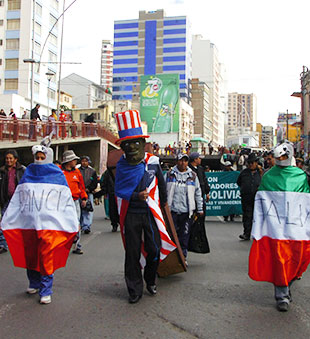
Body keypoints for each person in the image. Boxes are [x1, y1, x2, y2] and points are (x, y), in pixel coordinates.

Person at [1, 141, 79, 304]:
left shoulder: (57, 175)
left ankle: (46, 289)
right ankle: (34, 283)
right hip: (29, 224)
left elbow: (65, 201)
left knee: (46, 256)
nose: (39, 160)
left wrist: (72, 221)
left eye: (42, 157)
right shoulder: (28, 173)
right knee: (30, 254)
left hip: (49, 226)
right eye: (37, 157)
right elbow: (19, 198)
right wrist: (9, 217)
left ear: (48, 157)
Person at [114, 110, 176, 304]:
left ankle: (150, 279)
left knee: (154, 249)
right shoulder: (121, 166)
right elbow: (119, 191)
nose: (131, 147)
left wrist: (164, 208)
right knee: (132, 252)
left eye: (135, 142)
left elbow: (162, 186)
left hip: (150, 214)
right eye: (127, 144)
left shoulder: (153, 162)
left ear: (143, 143)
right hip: (132, 214)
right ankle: (134, 289)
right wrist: (135, 196)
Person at [249, 142, 310, 312]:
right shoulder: (268, 176)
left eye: (283, 156)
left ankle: (287, 285)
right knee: (279, 259)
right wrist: (258, 228)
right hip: (275, 230)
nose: (280, 159)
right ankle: (281, 294)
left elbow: (305, 202)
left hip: (296, 228)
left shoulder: (301, 176)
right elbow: (261, 202)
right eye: (278, 157)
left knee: (298, 258)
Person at [166, 153, 204, 262]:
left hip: (187, 212)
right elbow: (163, 191)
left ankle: (183, 257)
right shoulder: (169, 175)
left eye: (185, 161)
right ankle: (171, 257)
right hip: (172, 211)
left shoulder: (192, 175)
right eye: (181, 161)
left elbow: (197, 192)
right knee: (172, 235)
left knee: (184, 236)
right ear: (177, 161)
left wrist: (199, 208)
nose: (183, 163)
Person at [60, 150, 88, 254]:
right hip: (62, 202)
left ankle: (77, 246)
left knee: (76, 223)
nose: (76, 161)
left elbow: (81, 187)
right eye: (74, 160)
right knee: (62, 223)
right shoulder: (59, 171)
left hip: (75, 201)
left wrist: (84, 198)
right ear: (68, 161)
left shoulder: (77, 172)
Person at [0, 150, 25, 254]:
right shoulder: (2, 171)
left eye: (10, 158)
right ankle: (2, 244)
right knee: (3, 222)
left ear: (16, 159)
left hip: (18, 200)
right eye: (7, 158)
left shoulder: (22, 170)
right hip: (6, 200)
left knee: (20, 221)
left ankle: (19, 242)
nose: (8, 160)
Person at [237, 153, 263, 240]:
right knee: (247, 216)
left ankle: (258, 234)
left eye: (253, 163)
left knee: (258, 216)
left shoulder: (261, 173)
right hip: (246, 198)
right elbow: (239, 182)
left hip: (258, 199)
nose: (251, 164)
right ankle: (246, 233)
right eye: (249, 163)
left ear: (256, 163)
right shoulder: (244, 173)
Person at [78, 156, 97, 234]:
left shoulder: (92, 171)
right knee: (79, 210)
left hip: (88, 193)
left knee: (88, 209)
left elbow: (95, 182)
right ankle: (80, 225)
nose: (84, 162)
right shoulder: (77, 171)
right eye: (83, 161)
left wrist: (89, 189)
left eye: (86, 161)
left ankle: (86, 226)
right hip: (79, 193)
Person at [98, 167, 119, 232]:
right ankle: (114, 224)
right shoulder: (107, 173)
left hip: (121, 194)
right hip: (111, 193)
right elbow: (103, 182)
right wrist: (105, 191)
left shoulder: (123, 170)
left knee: (121, 209)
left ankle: (122, 223)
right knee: (112, 209)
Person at [189, 152, 210, 216]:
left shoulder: (200, 169)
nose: (200, 160)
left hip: (201, 195)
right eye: (199, 158)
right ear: (195, 159)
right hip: (191, 196)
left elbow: (204, 180)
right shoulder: (188, 169)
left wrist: (207, 192)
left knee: (202, 215)